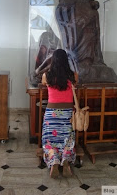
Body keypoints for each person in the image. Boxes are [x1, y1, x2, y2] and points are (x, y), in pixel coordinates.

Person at [55, 0, 117, 84]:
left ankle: (91, 59)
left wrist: (90, 3)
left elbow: (83, 6)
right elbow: (63, 12)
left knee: (93, 20)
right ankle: (81, 60)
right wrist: (84, 9)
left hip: (83, 26)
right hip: (73, 26)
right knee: (92, 14)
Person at [41, 49, 77, 178]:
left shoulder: (47, 75)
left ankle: (54, 160)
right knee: (68, 139)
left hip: (51, 113)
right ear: (66, 60)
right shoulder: (73, 76)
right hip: (67, 113)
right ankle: (66, 161)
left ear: (53, 60)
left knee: (50, 140)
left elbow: (44, 83)